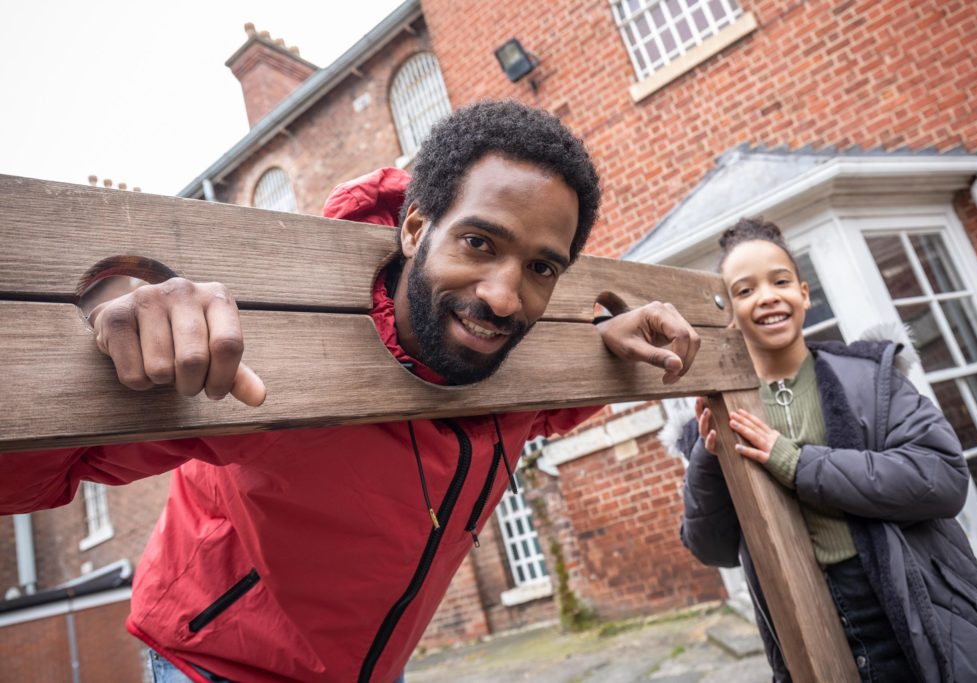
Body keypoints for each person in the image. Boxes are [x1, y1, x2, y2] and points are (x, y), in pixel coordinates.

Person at [0, 101, 700, 683]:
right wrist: (98, 327)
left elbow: (540, 406)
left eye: (542, 267)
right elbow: (38, 473)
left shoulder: (504, 363)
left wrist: (608, 334)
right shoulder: (267, 355)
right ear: (417, 227)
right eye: (480, 243)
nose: (503, 297)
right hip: (217, 663)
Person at [672, 217, 977, 682]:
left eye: (780, 282)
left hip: (914, 600)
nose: (768, 296)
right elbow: (713, 547)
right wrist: (707, 460)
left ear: (804, 293)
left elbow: (942, 478)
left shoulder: (870, 377)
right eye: (745, 290)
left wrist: (796, 463)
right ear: (731, 314)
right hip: (808, 619)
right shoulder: (720, 412)